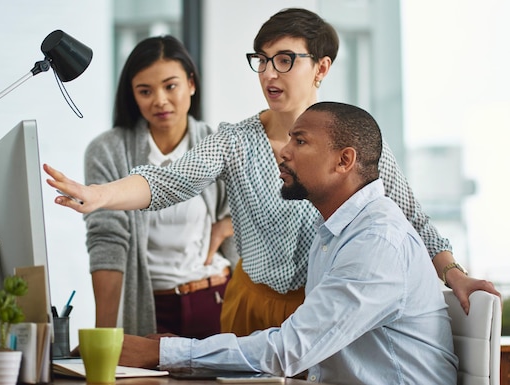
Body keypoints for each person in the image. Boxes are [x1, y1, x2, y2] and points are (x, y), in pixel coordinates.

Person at [44, 8, 498, 337]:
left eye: (284, 59)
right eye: (261, 60)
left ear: (321, 68)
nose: (268, 73)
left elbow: (411, 217)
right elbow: (168, 181)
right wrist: (102, 196)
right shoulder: (234, 139)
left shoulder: (352, 141)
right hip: (247, 303)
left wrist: (453, 272)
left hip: (319, 308)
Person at [116, 102, 459, 384]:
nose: (282, 152)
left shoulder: (376, 241)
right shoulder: (335, 231)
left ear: (344, 161)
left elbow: (289, 351)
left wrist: (164, 355)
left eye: (300, 141)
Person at [81, 35, 237, 339]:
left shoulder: (217, 142)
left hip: (216, 298)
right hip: (151, 308)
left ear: (191, 84)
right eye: (145, 91)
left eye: (171, 86)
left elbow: (265, 205)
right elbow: (107, 240)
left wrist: (226, 224)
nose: (160, 100)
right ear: (132, 95)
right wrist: (105, 337)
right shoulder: (108, 150)